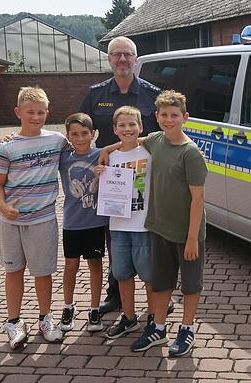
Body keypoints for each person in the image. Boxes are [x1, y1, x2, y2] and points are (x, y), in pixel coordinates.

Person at [79, 36, 160, 314]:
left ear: (135, 59)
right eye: (117, 55)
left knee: (147, 239)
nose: (122, 60)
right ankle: (115, 295)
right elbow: (79, 131)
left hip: (145, 180)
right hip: (111, 184)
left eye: (127, 55)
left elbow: (164, 134)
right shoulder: (95, 94)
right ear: (109, 59)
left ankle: (157, 294)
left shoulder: (152, 93)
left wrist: (112, 146)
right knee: (115, 239)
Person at [129, 91, 208, 357]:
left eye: (174, 115)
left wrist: (192, 238)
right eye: (164, 115)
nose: (168, 119)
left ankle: (187, 328)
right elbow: (131, 142)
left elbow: (198, 198)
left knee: (190, 284)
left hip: (186, 233)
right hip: (159, 228)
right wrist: (104, 152)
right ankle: (159, 328)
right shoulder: (155, 140)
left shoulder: (191, 153)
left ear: (185, 117)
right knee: (161, 282)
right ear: (156, 117)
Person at [0, 86, 66, 349]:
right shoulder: (7, 148)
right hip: (11, 222)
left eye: (41, 112)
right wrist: (3, 207)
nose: (36, 117)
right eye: (30, 112)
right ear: (18, 112)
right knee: (13, 270)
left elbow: (83, 145)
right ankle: (13, 321)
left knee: (43, 272)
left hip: (43, 220)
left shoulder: (57, 140)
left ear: (47, 113)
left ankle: (45, 318)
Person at [93, 106, 155, 340]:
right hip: (118, 226)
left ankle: (153, 318)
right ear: (114, 129)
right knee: (122, 275)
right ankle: (129, 318)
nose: (127, 129)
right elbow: (103, 192)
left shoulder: (148, 152)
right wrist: (99, 175)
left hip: (143, 226)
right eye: (122, 125)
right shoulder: (110, 158)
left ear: (140, 127)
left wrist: (111, 145)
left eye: (132, 124)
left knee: (149, 276)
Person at [57, 113, 108, 334]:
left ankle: (94, 308)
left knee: (95, 265)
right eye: (74, 134)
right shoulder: (63, 157)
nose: (80, 138)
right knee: (70, 266)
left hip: (95, 223)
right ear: (68, 136)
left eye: (85, 134)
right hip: (72, 223)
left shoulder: (101, 155)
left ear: (93, 134)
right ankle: (68, 306)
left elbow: (126, 143)